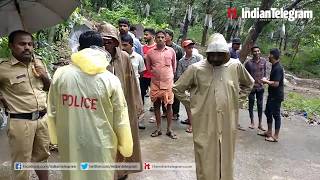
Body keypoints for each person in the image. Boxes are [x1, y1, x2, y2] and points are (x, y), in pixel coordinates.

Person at [47, 31, 133, 180]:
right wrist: (125, 147)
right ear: (101, 49)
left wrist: (55, 138)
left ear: (79, 48)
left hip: (69, 140)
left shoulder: (61, 75)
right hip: (101, 144)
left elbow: (52, 110)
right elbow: (121, 118)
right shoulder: (110, 80)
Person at [173, 33, 254, 180]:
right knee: (205, 154)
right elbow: (177, 88)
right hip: (204, 120)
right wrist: (192, 105)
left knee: (226, 154)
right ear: (207, 53)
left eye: (220, 55)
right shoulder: (196, 69)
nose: (216, 58)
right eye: (213, 55)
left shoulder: (235, 66)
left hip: (228, 120)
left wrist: (238, 102)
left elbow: (249, 83)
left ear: (226, 54)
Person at [0, 30, 51, 180]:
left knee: (42, 158)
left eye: (30, 44)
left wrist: (44, 76)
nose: (27, 47)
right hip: (20, 122)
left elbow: (49, 88)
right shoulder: (3, 68)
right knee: (21, 163)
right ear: (11, 46)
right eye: (22, 44)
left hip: (42, 119)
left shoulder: (39, 62)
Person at [97, 22, 143, 180]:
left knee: (123, 139)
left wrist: (136, 104)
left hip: (122, 106)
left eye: (111, 39)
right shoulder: (94, 58)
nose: (107, 42)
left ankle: (120, 172)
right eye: (104, 39)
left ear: (117, 40)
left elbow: (131, 83)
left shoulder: (123, 57)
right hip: (102, 108)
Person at [145, 30, 177, 139]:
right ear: (155, 38)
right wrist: (156, 75)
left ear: (166, 38)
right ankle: (158, 129)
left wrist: (167, 76)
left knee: (169, 106)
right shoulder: (150, 53)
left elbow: (174, 66)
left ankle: (169, 129)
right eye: (158, 37)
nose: (160, 39)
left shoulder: (171, 51)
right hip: (155, 83)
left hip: (168, 83)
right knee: (156, 106)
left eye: (162, 37)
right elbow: (149, 68)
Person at [121, 34, 146, 129]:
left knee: (136, 103)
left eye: (125, 45)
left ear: (131, 45)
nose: (123, 48)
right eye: (121, 45)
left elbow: (142, 72)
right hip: (122, 84)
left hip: (135, 84)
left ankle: (138, 122)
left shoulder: (138, 57)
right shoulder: (119, 57)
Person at [176, 40, 202, 133]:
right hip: (187, 86)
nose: (191, 48)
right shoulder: (181, 61)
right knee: (188, 105)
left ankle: (195, 123)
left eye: (192, 47)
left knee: (197, 106)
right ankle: (191, 123)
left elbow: (203, 71)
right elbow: (179, 74)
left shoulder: (198, 58)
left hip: (198, 85)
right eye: (188, 47)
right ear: (184, 48)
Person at [260, 48, 284, 142]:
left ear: (273, 55)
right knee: (268, 112)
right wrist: (268, 81)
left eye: (269, 54)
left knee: (276, 115)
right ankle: (269, 132)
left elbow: (276, 84)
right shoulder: (274, 66)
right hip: (272, 95)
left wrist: (266, 81)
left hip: (276, 96)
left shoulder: (278, 68)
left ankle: (275, 136)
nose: (268, 56)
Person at [162, 29, 184, 120]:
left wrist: (178, 74)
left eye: (165, 35)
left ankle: (175, 113)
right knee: (163, 93)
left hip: (174, 75)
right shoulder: (161, 47)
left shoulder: (177, 49)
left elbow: (181, 62)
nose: (163, 38)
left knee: (175, 94)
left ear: (170, 37)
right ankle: (164, 111)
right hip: (163, 75)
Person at [244, 45, 267, 131]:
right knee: (251, 104)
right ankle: (252, 122)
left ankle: (260, 124)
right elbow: (246, 75)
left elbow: (264, 73)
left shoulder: (264, 61)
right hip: (252, 88)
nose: (257, 52)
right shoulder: (248, 63)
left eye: (258, 51)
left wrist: (264, 80)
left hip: (260, 88)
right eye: (255, 51)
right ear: (252, 53)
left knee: (260, 106)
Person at [141, 28, 156, 122]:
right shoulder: (143, 48)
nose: (145, 36)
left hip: (153, 75)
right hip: (143, 74)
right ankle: (141, 113)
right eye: (144, 34)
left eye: (146, 35)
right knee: (141, 94)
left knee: (154, 95)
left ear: (152, 36)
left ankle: (155, 114)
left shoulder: (156, 48)